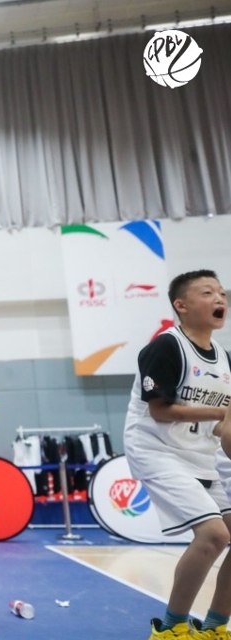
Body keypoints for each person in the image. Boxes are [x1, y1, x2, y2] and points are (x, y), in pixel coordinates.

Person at [123, 270, 231, 640]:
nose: (220, 299)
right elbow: (160, 411)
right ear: (181, 306)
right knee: (213, 536)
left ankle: (215, 626)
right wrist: (223, 413)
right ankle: (171, 628)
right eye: (208, 292)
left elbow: (225, 426)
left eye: (221, 293)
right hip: (156, 451)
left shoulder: (225, 359)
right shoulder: (165, 347)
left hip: (202, 456)